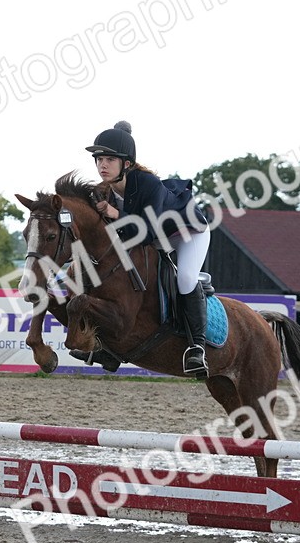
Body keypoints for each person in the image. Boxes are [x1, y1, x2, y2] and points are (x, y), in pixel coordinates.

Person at [86, 120, 212, 376]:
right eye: (99, 159)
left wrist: (115, 213)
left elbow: (147, 231)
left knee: (185, 278)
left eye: (110, 159)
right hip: (154, 238)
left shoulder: (148, 184)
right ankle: (107, 347)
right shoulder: (103, 191)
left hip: (187, 233)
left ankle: (197, 347)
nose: (102, 165)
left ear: (127, 164)